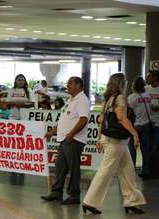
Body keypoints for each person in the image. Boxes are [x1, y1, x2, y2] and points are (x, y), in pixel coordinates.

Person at [83, 73, 146, 215]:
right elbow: (122, 118)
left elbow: (101, 121)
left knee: (127, 171)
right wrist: (135, 133)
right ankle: (89, 202)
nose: (127, 83)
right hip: (116, 141)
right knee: (105, 172)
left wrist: (99, 139)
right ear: (122, 83)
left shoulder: (108, 98)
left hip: (113, 140)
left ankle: (132, 202)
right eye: (125, 81)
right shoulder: (120, 98)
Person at [41, 77, 90, 205]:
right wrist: (53, 132)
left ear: (79, 85)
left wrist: (72, 133)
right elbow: (65, 120)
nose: (67, 85)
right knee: (59, 166)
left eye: (70, 83)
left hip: (74, 139)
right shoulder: (71, 99)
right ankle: (56, 192)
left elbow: (84, 120)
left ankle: (74, 195)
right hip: (64, 139)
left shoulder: (82, 100)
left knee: (73, 168)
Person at [127, 77, 152, 179]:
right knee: (145, 149)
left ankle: (131, 171)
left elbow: (128, 111)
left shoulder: (132, 97)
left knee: (132, 149)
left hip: (136, 126)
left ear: (134, 85)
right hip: (147, 124)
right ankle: (146, 171)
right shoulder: (147, 96)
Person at [146, 70, 159, 154]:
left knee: (154, 147)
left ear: (155, 77)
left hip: (157, 123)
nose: (147, 78)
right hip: (147, 122)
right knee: (147, 147)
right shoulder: (146, 88)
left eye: (149, 76)